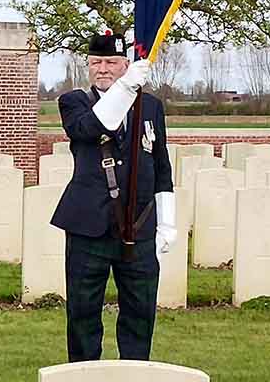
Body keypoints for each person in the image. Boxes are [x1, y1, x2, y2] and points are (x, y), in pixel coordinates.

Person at [51, 30, 176, 362]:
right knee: (83, 313)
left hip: (139, 226)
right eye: (95, 62)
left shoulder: (150, 107)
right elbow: (94, 126)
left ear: (126, 64)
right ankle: (83, 378)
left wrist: (168, 222)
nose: (102, 69)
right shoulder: (74, 102)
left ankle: (133, 379)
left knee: (140, 312)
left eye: (111, 62)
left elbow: (161, 164)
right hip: (89, 225)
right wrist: (126, 87)